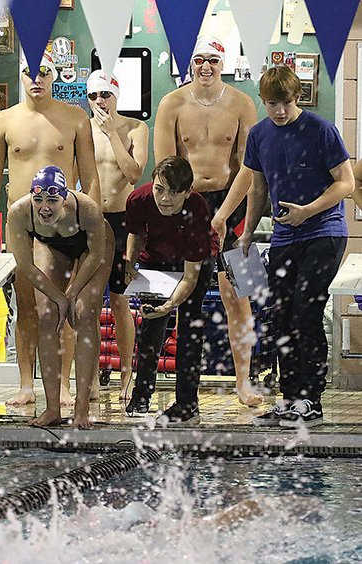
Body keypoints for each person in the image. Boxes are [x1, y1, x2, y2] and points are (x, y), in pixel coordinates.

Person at [212, 66, 354, 427]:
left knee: (306, 312)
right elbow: (258, 188)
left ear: (298, 98)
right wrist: (245, 235)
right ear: (263, 101)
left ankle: (312, 400)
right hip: (283, 236)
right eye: (272, 104)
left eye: (286, 103)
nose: (279, 111)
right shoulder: (260, 135)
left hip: (324, 231)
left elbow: (346, 184)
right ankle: (291, 399)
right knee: (282, 316)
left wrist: (308, 210)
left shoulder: (321, 130)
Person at [0, 52, 101, 406]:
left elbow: (90, 177)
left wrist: (89, 228)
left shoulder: (76, 118)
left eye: (44, 72)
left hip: (64, 226)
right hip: (22, 225)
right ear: (21, 76)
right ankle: (25, 384)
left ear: (55, 75)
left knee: (61, 305)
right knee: (26, 307)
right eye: (30, 72)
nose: (37, 79)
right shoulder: (4, 121)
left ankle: (61, 383)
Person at [154, 35, 262, 407]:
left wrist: (229, 214)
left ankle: (245, 384)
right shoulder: (172, 103)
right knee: (188, 300)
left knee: (241, 297)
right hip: (187, 206)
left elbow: (252, 165)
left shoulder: (242, 103)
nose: (205, 66)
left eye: (213, 60)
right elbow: (165, 169)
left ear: (224, 62)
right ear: (190, 63)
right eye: (198, 59)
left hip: (231, 205)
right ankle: (186, 397)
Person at [6, 165, 111, 428]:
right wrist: (59, 298)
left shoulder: (87, 210)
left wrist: (72, 293)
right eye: (38, 199)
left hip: (92, 250)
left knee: (84, 314)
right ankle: (52, 409)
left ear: (64, 198)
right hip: (52, 245)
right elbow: (25, 266)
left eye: (52, 200)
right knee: (47, 316)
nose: (44, 207)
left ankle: (82, 409)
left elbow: (96, 255)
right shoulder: (19, 212)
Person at [124, 157, 217, 425]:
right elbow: (136, 233)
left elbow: (190, 277)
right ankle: (141, 396)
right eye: (159, 189)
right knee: (150, 328)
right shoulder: (138, 200)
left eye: (174, 193)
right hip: (156, 260)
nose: (164, 199)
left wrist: (169, 305)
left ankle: (187, 405)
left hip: (194, 263)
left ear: (187, 192)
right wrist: (130, 263)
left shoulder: (197, 208)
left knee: (189, 328)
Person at [87, 70, 149, 399]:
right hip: (93, 219)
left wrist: (113, 134)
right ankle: (92, 374)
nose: (100, 102)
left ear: (117, 96)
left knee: (122, 300)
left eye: (106, 95)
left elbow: (135, 172)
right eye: (94, 96)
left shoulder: (136, 128)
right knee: (91, 303)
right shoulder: (82, 130)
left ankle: (127, 372)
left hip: (125, 220)